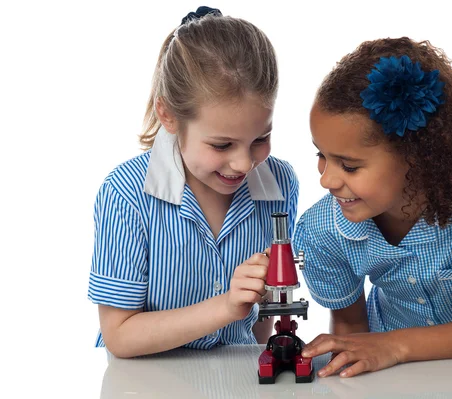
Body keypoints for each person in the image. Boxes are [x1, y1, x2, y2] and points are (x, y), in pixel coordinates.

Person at [292, 37, 452, 378]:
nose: (326, 180)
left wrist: (395, 346)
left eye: (349, 166)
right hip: (393, 376)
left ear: (418, 155)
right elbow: (352, 331)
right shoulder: (321, 231)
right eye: (320, 156)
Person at [87, 6, 298, 358]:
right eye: (222, 145)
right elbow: (119, 335)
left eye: (260, 138)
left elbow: (261, 316)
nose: (245, 163)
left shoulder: (281, 183)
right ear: (168, 114)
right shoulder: (125, 193)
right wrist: (226, 307)